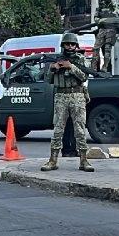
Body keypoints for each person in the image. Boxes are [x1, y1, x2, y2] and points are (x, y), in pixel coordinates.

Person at [41, 33, 94, 172]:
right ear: (63, 45)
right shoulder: (57, 60)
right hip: (61, 95)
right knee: (58, 129)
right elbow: (48, 80)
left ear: (76, 46)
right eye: (67, 44)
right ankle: (53, 160)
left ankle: (84, 160)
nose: (70, 47)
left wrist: (71, 67)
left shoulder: (81, 59)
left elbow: (84, 77)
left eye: (72, 44)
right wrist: (53, 69)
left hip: (77, 95)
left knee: (80, 129)